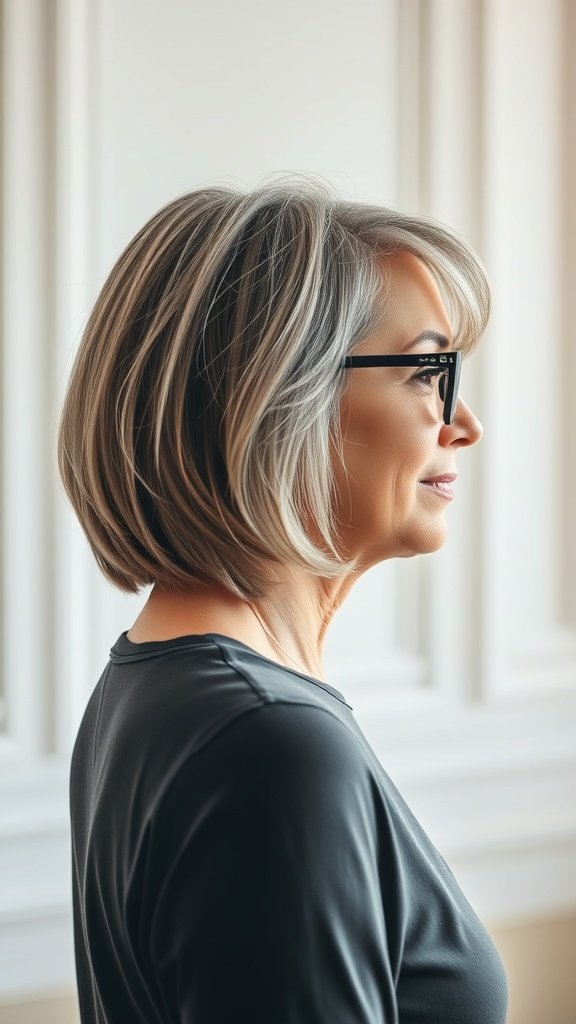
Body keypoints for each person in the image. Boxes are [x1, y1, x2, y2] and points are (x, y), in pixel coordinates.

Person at [58, 173, 508, 1023]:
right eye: (426, 370)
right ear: (272, 400)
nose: (464, 422)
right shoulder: (272, 745)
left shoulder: (154, 687)